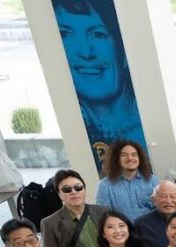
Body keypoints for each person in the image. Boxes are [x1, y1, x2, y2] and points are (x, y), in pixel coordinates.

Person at [53, 0, 144, 146]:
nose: (85, 52)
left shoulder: (145, 125)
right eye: (66, 34)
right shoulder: (76, 132)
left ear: (123, 52)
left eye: (98, 34)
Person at [95, 139, 159, 220]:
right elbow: (103, 216)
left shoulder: (153, 181)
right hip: (122, 231)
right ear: (116, 159)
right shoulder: (105, 185)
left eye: (134, 155)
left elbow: (161, 209)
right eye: (124, 155)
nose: (130, 158)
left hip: (151, 229)